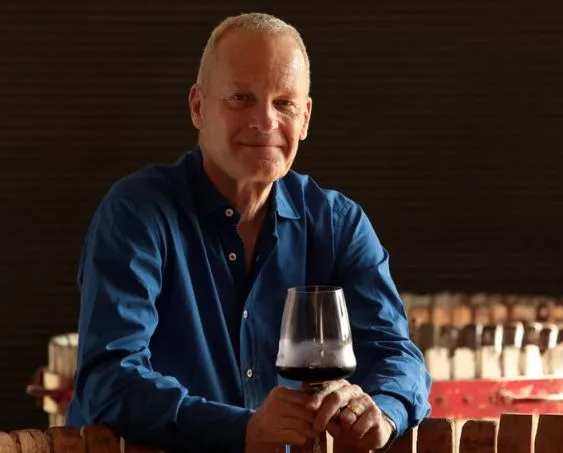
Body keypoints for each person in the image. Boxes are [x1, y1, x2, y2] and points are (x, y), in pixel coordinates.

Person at [65, 12, 432, 453]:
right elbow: (109, 377)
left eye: (285, 103)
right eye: (242, 98)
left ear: (305, 118)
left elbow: (397, 355)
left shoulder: (338, 223)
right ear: (198, 106)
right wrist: (242, 430)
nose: (265, 121)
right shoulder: (136, 214)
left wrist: (383, 412)